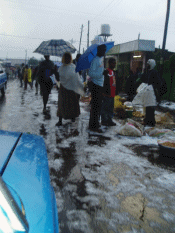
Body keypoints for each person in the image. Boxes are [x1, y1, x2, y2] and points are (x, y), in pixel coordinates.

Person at [55, 52, 84, 126]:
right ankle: (60, 120)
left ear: (70, 58)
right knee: (61, 104)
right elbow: (58, 79)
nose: (67, 59)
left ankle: (73, 117)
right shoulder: (61, 68)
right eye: (66, 57)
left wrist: (81, 86)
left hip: (72, 89)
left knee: (72, 103)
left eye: (69, 57)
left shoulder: (73, 66)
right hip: (63, 89)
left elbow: (77, 78)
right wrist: (55, 72)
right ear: (63, 58)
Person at [88, 44, 106, 131]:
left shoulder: (101, 60)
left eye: (105, 50)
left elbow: (100, 71)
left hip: (100, 85)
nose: (104, 52)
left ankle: (95, 123)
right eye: (103, 50)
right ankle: (93, 125)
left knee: (98, 106)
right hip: (95, 86)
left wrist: (103, 72)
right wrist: (101, 74)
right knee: (95, 106)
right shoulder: (95, 60)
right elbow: (91, 73)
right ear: (99, 50)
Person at [101, 58, 117, 126]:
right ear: (109, 63)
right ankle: (104, 120)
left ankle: (109, 120)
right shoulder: (106, 71)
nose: (114, 64)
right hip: (106, 93)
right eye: (113, 63)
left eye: (115, 63)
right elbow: (103, 82)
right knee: (105, 108)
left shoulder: (114, 72)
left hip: (112, 93)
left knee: (110, 108)